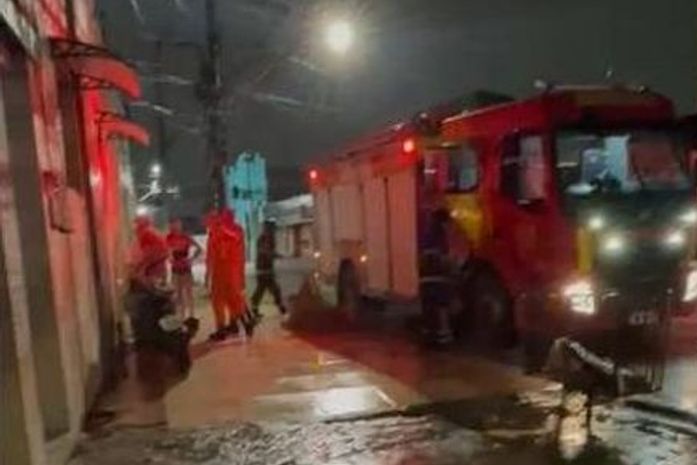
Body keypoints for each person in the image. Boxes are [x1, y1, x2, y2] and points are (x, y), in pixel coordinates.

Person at [206, 209, 253, 341]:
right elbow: (211, 255)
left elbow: (211, 255)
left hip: (225, 272)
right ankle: (239, 324)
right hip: (230, 272)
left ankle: (226, 328)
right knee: (231, 301)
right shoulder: (233, 231)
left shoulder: (222, 231)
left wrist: (208, 274)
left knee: (222, 301)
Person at [418, 208, 455, 347]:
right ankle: (443, 339)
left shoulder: (427, 235)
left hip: (426, 280)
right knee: (441, 308)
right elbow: (445, 258)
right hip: (438, 279)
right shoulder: (440, 237)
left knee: (429, 310)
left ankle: (428, 338)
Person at [166, 218, 203, 319]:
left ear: (180, 225)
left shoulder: (185, 237)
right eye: (172, 225)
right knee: (178, 294)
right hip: (175, 268)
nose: (174, 227)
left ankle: (191, 314)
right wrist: (169, 257)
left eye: (177, 224)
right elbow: (165, 250)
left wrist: (191, 259)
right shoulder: (169, 237)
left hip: (186, 267)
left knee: (188, 292)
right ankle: (181, 315)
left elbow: (199, 248)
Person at [251, 220, 287, 318]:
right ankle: (281, 308)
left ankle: (254, 308)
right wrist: (275, 255)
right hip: (263, 269)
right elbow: (264, 251)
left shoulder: (269, 238)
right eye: (271, 229)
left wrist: (275, 255)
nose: (273, 231)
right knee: (271, 289)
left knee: (263, 289)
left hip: (267, 268)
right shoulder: (263, 239)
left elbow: (268, 251)